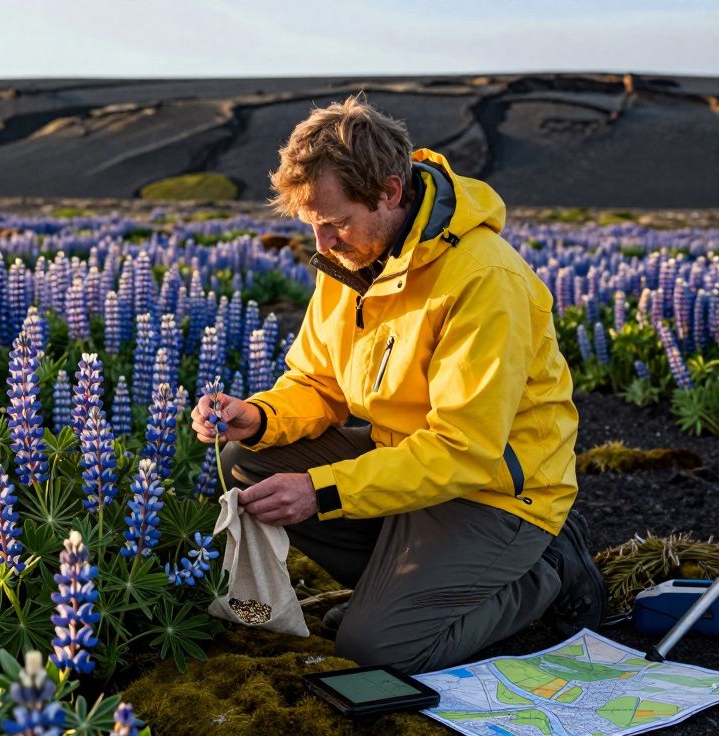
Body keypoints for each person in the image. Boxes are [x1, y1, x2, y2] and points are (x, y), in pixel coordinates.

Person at [189, 94, 605, 675]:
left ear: (389, 191)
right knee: (247, 457)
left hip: (492, 493)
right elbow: (317, 381)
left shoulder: (484, 279)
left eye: (334, 223)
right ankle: (411, 593)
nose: (322, 246)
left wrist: (323, 490)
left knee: (376, 649)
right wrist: (260, 416)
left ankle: (547, 573)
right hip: (404, 467)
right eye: (312, 226)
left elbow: (463, 451)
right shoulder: (352, 260)